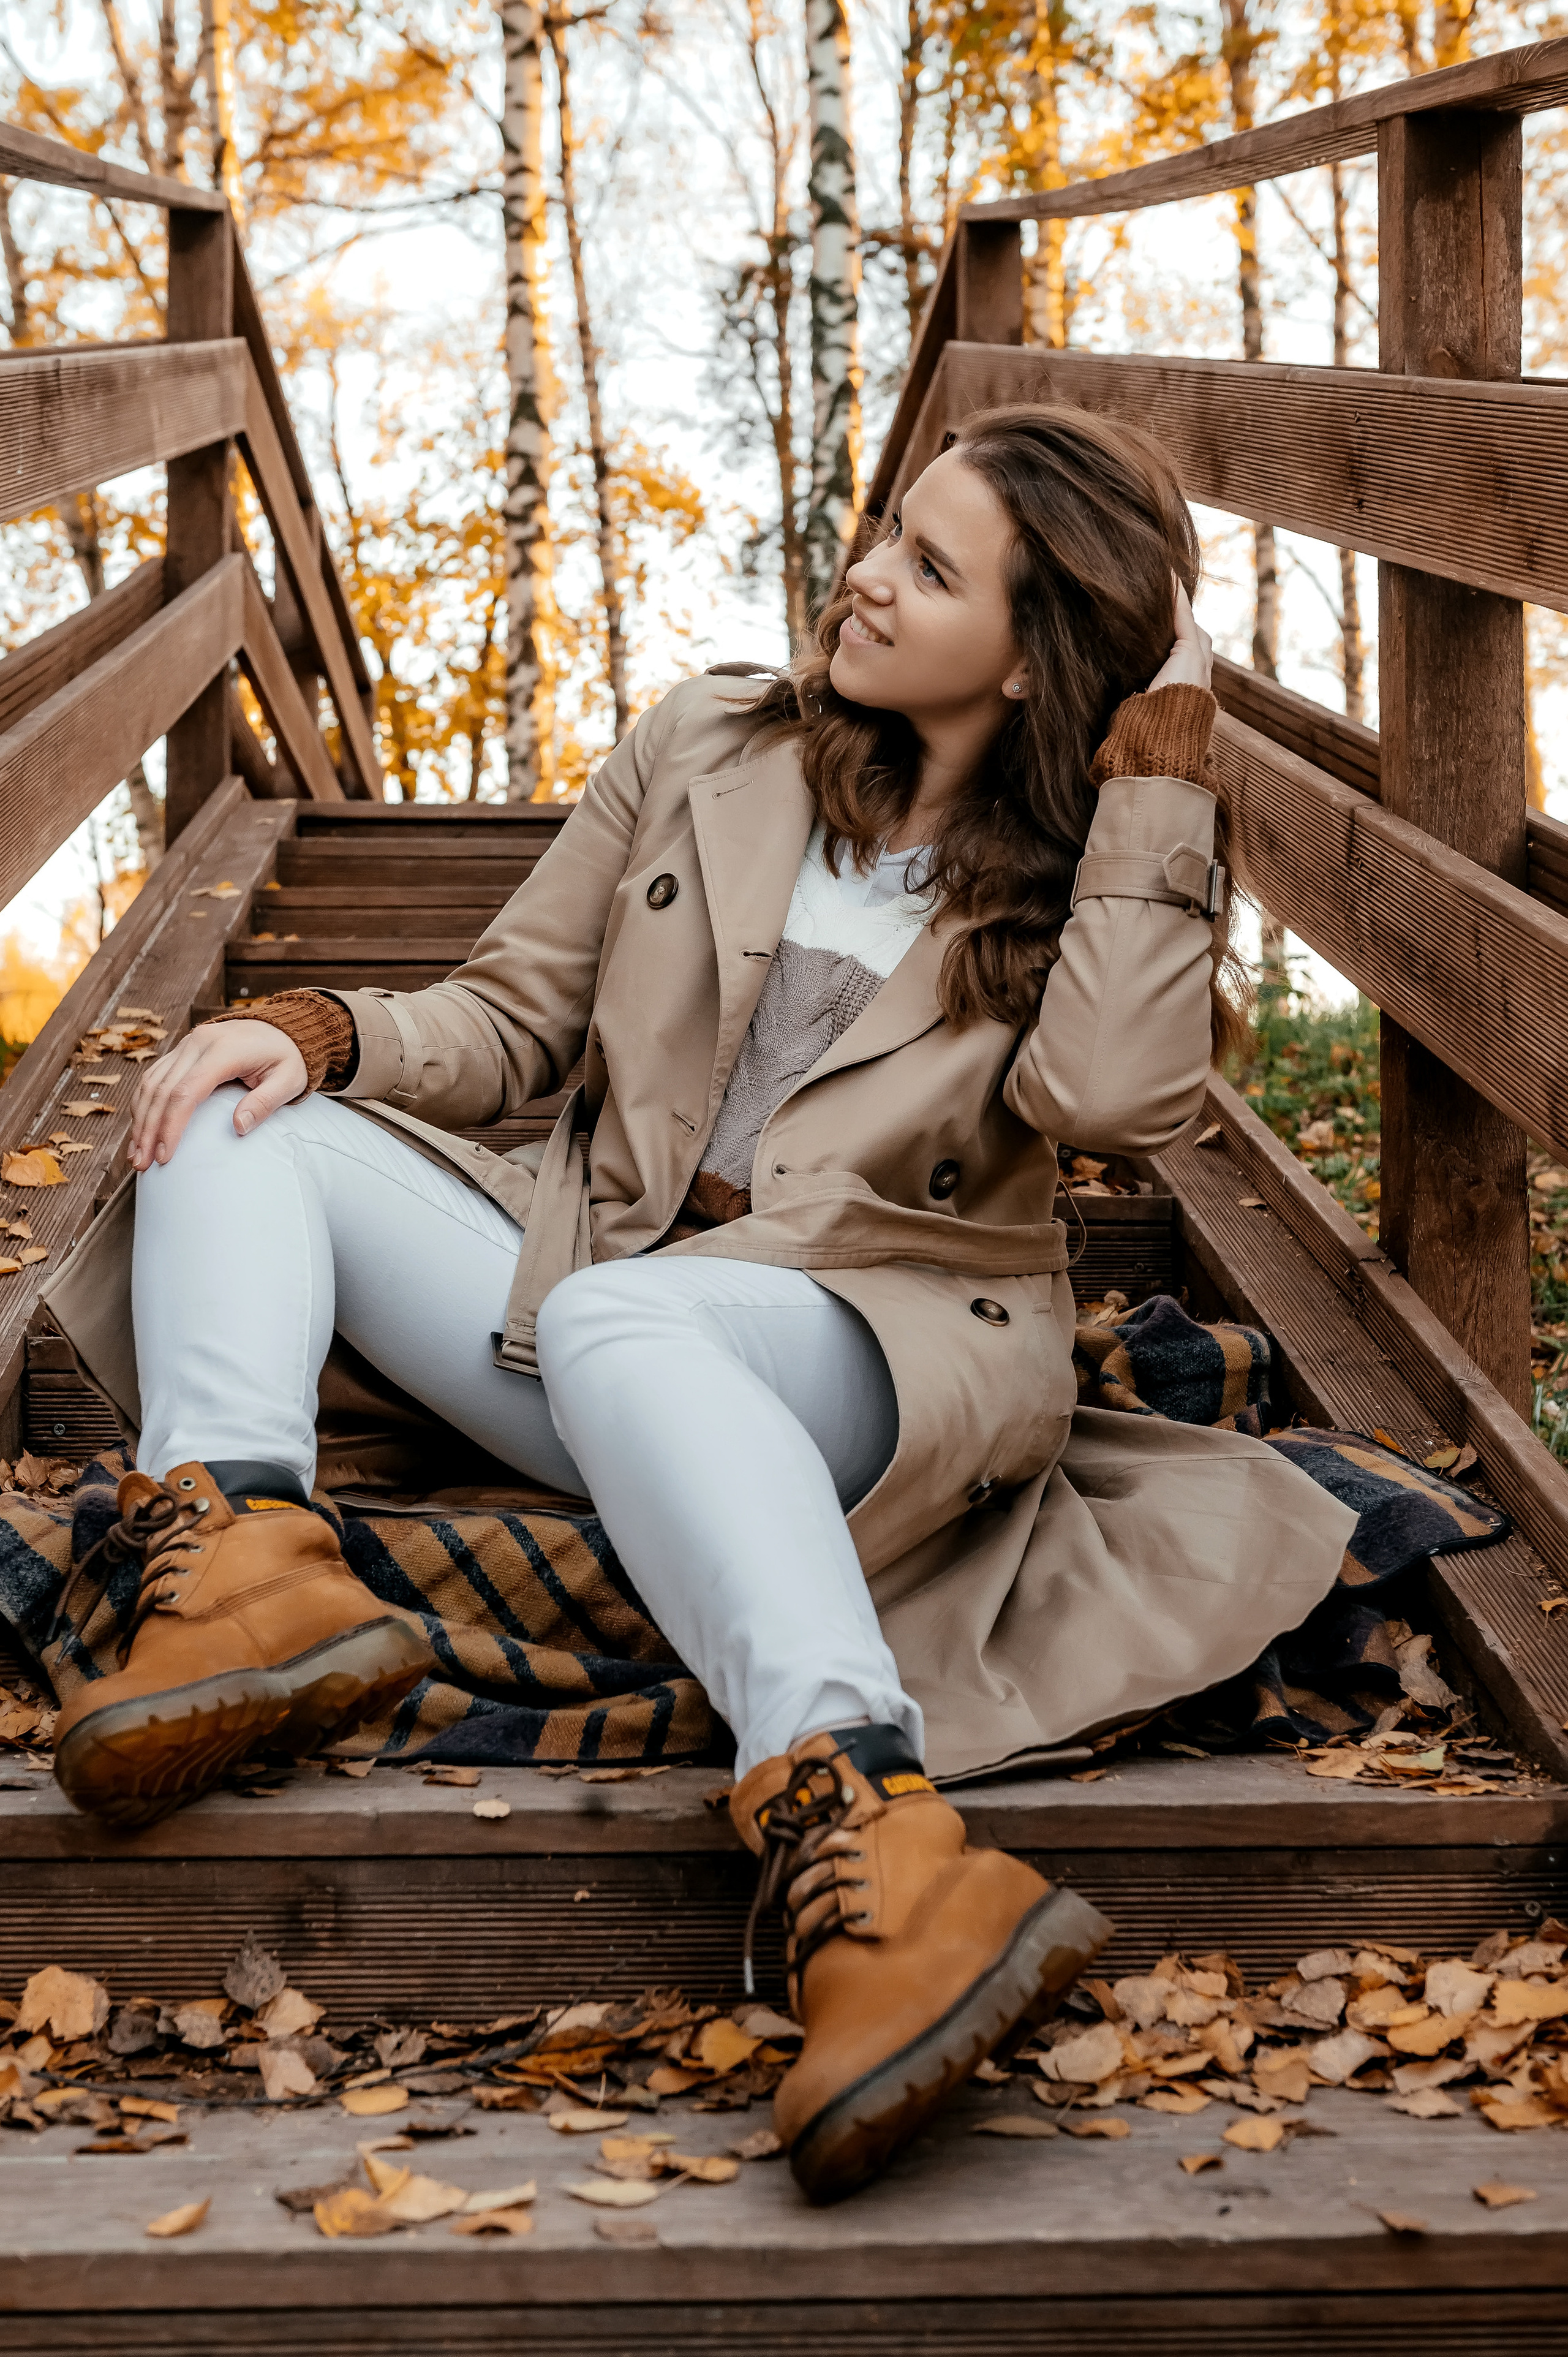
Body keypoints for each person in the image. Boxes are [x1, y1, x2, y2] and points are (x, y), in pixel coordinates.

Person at [42, 404, 1357, 2201]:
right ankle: (250, 1564)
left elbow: (1120, 1107)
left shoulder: (1097, 865)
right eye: (889, 527)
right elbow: (513, 1023)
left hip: (880, 1350)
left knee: (619, 1320)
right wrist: (318, 1031)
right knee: (235, 1112)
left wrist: (1167, 764)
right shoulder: (708, 744)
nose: (869, 574)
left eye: (932, 566)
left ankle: (881, 1852)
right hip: (607, 1319)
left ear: (1039, 652)